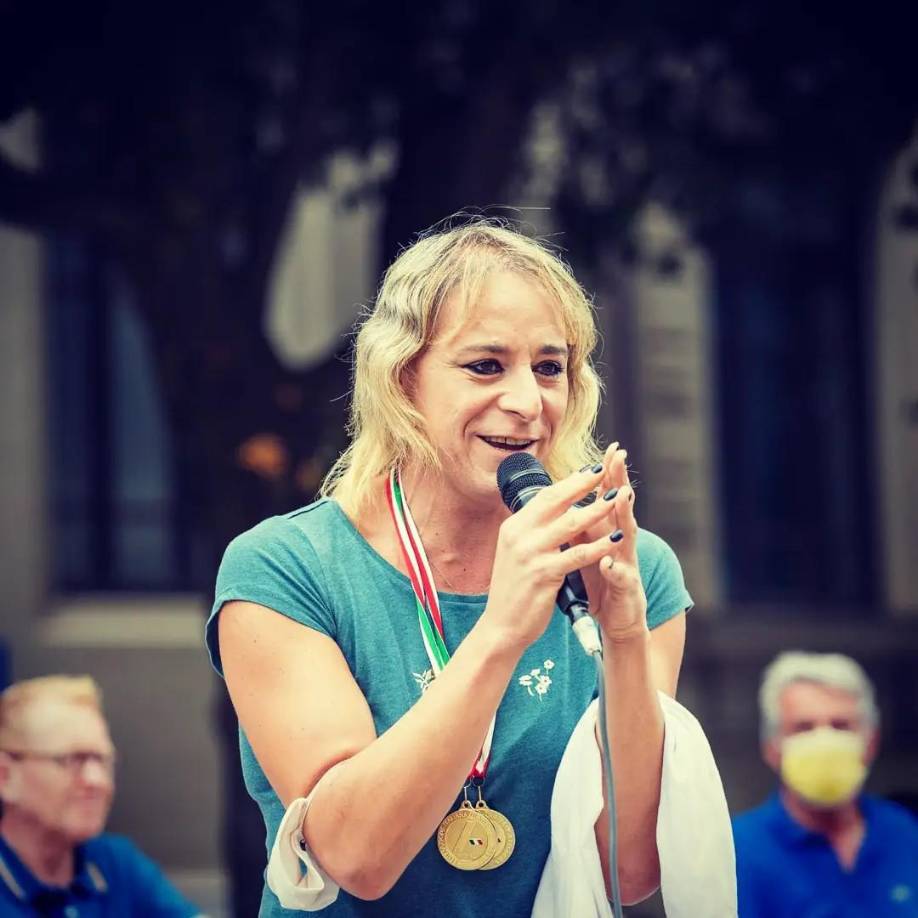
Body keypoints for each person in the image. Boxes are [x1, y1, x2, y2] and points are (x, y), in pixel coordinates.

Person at [206, 219, 708, 916]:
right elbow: (356, 856)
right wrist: (501, 630)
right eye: (485, 365)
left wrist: (623, 638)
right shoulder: (287, 568)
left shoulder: (631, 568)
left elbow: (628, 870)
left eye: (550, 367)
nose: (528, 403)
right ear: (401, 378)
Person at [0, 675, 205, 917]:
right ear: (5, 776)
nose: (96, 781)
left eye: (102, 760)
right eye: (72, 760)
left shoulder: (113, 862)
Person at [732, 651, 918, 917]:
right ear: (771, 748)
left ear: (871, 742)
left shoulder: (904, 832)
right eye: (804, 728)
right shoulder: (738, 851)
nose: (824, 739)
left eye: (840, 725)